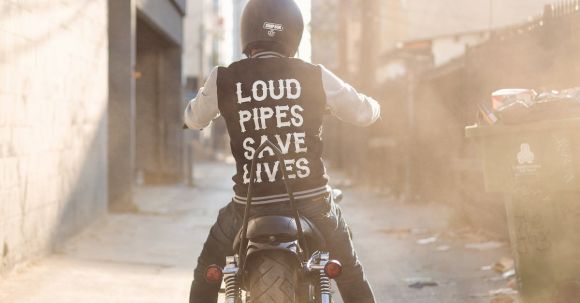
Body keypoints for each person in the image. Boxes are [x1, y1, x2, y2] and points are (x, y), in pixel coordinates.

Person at [184, 0, 380, 302]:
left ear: (246, 32)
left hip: (248, 204)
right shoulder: (314, 75)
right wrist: (375, 107)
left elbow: (194, 117)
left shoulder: (223, 78)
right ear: (294, 33)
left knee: (207, 271)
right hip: (312, 200)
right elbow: (362, 113)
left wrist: (191, 118)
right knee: (351, 271)